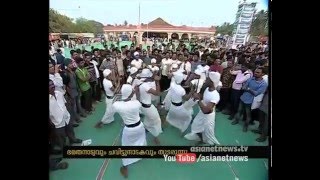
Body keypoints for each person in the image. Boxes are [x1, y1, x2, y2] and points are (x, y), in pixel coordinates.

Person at [112, 84, 147, 178]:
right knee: (140, 142)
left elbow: (114, 101)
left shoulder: (117, 105)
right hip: (139, 127)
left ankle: (125, 167)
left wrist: (121, 94)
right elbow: (138, 101)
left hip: (129, 129)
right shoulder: (136, 103)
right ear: (131, 94)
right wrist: (136, 92)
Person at [184, 72, 221, 145]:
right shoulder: (207, 88)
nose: (205, 80)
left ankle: (215, 146)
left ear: (211, 81)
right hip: (202, 113)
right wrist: (195, 94)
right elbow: (201, 96)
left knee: (209, 134)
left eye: (207, 79)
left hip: (208, 116)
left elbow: (206, 110)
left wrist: (198, 99)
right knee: (196, 124)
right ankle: (201, 139)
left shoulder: (215, 95)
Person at [49, 79, 82, 151]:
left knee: (70, 130)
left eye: (52, 84)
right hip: (57, 121)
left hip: (66, 117)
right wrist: (51, 123)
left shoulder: (59, 93)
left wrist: (68, 113)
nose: (52, 86)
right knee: (61, 137)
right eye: (50, 85)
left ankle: (73, 139)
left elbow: (65, 103)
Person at [138, 69, 162, 144]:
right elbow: (157, 93)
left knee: (148, 119)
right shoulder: (145, 86)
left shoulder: (141, 83)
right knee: (157, 121)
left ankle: (145, 128)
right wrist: (157, 81)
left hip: (143, 106)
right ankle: (156, 137)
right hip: (147, 107)